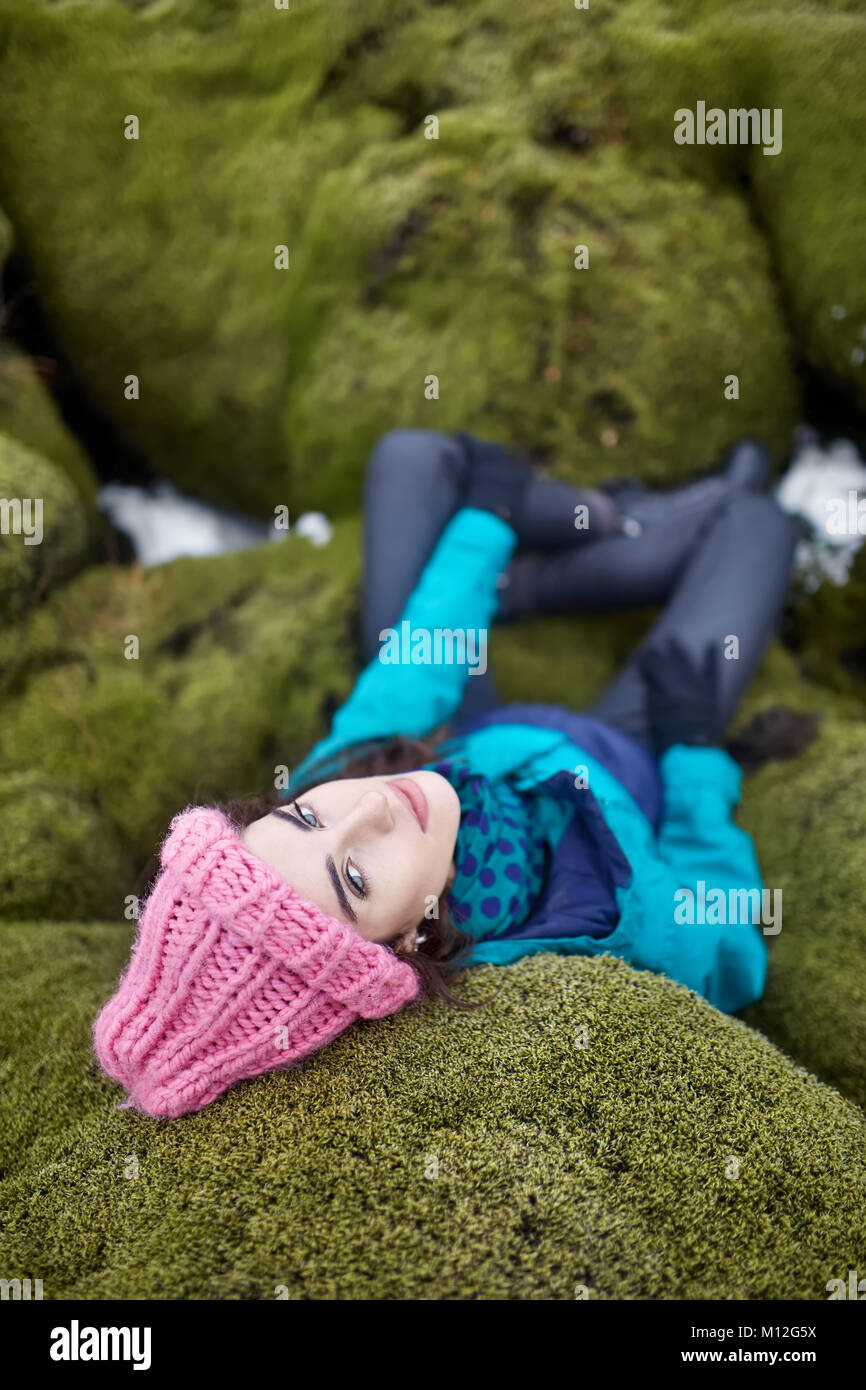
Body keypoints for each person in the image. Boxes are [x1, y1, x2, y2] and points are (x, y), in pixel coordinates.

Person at [93, 428, 798, 1117]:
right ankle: (621, 532)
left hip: (482, 731)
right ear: (401, 949)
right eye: (356, 878)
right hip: (630, 746)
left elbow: (412, 677)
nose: (369, 808)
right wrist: (697, 755)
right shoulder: (598, 929)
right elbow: (730, 945)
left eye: (304, 815)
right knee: (758, 528)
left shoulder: (348, 779)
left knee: (413, 459)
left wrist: (490, 521)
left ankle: (539, 568)